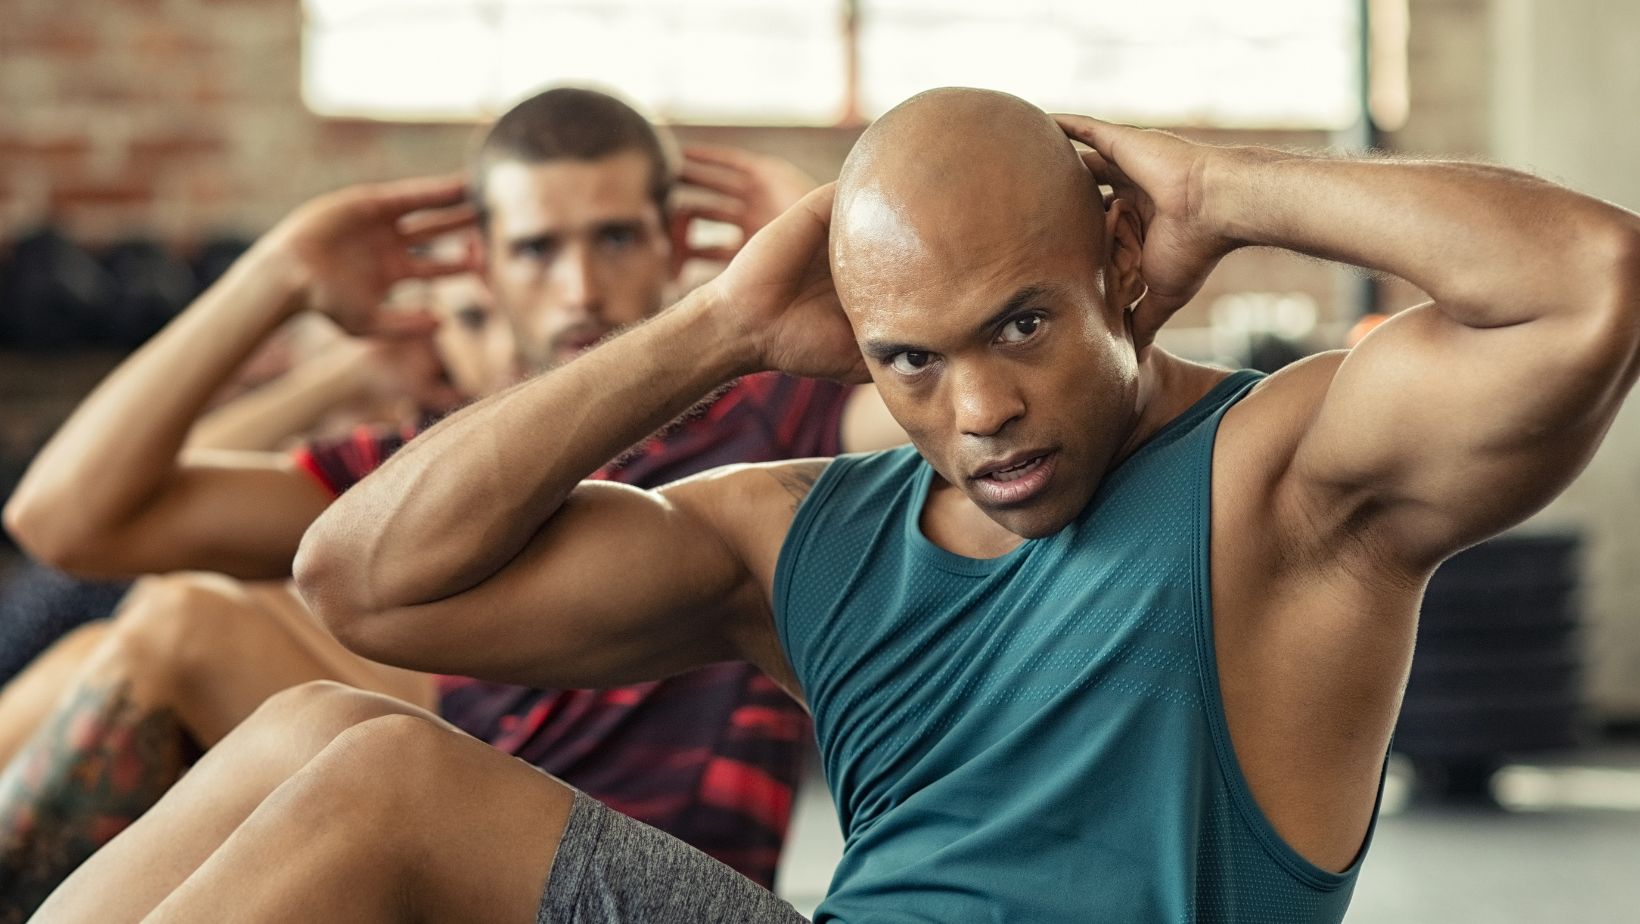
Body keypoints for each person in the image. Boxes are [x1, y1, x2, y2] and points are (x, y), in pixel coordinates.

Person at [37, 85, 1640, 922]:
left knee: (383, 775)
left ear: (1122, 272)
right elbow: (361, 579)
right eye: (912, 360)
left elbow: (1586, 281)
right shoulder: (805, 531)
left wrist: (1224, 187)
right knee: (322, 732)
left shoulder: (1286, 486)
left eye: (1022, 325)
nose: (981, 409)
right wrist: (718, 326)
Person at [1, 88, 903, 916]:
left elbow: (950, 417)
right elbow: (65, 520)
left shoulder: (786, 410)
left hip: (641, 871)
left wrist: (843, 254)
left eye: (616, 237)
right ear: (484, 265)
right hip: (441, 842)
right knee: (199, 631)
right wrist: (272, 276)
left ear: (674, 245)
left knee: (373, 759)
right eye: (538, 248)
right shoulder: (435, 475)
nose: (581, 286)